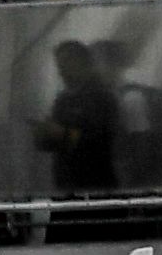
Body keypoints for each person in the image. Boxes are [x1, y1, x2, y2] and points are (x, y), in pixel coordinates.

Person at [35, 39, 122, 192]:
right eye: (59, 64)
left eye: (65, 62)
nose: (60, 70)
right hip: (65, 187)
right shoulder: (63, 99)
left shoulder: (102, 97)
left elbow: (100, 143)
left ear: (82, 62)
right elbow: (52, 144)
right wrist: (43, 134)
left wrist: (62, 133)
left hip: (97, 187)